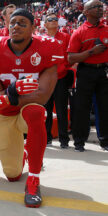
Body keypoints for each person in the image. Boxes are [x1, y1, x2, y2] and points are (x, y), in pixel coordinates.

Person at [0, 9, 63, 208]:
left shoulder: (48, 47)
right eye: (13, 22)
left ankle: (34, 179)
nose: (15, 26)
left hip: (28, 109)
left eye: (22, 23)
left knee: (36, 111)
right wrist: (10, 92)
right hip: (7, 115)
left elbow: (43, 95)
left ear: (33, 28)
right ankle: (25, 155)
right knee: (12, 175)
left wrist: (9, 95)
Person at [68, 0, 108, 152]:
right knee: (81, 108)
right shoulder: (79, 32)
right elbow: (71, 58)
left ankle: (105, 141)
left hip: (104, 72)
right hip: (86, 72)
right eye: (96, 7)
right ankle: (79, 141)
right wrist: (91, 52)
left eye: (101, 6)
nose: (100, 9)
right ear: (85, 12)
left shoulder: (106, 29)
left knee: (105, 107)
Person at [43, 13, 72, 148]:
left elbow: (69, 55)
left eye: (56, 19)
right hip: (45, 80)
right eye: (50, 19)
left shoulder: (65, 37)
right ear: (45, 24)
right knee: (46, 110)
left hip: (61, 78)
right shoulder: (39, 39)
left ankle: (64, 139)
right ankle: (47, 137)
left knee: (61, 110)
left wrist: (64, 68)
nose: (54, 21)